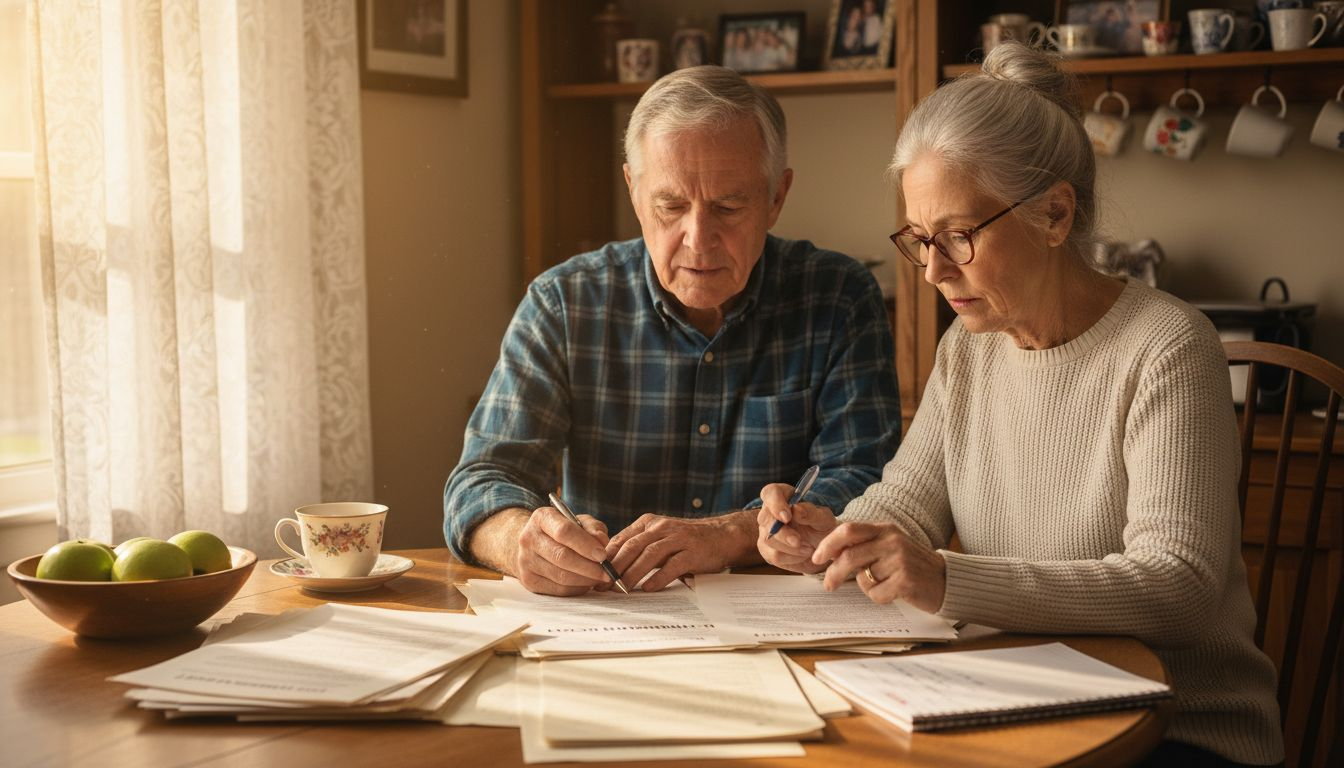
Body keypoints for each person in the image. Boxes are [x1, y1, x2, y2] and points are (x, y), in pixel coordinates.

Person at [757, 42, 1283, 768]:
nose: (935, 271)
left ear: (1055, 214)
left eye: (959, 237)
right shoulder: (968, 351)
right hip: (1019, 700)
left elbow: (1179, 586)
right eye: (919, 240)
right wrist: (833, 537)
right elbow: (906, 507)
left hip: (1181, 729)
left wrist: (946, 579)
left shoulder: (1167, 348)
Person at [445, 65, 901, 598]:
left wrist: (729, 535)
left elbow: (869, 481)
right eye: (670, 205)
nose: (698, 238)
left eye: (729, 207)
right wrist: (522, 540)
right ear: (634, 192)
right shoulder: (565, 303)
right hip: (612, 619)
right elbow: (479, 483)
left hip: (779, 620)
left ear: (777, 197)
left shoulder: (840, 297)